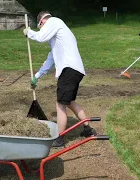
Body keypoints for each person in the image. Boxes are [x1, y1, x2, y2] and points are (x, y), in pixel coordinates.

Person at [23, 11, 97, 147]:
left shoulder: (54, 21)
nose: (42, 29)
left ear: (42, 22)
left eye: (41, 27)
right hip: (76, 70)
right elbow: (50, 60)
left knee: (60, 104)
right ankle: (88, 129)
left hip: (69, 69)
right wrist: (37, 76)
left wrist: (29, 32)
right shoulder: (57, 36)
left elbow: (40, 37)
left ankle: (60, 138)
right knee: (69, 101)